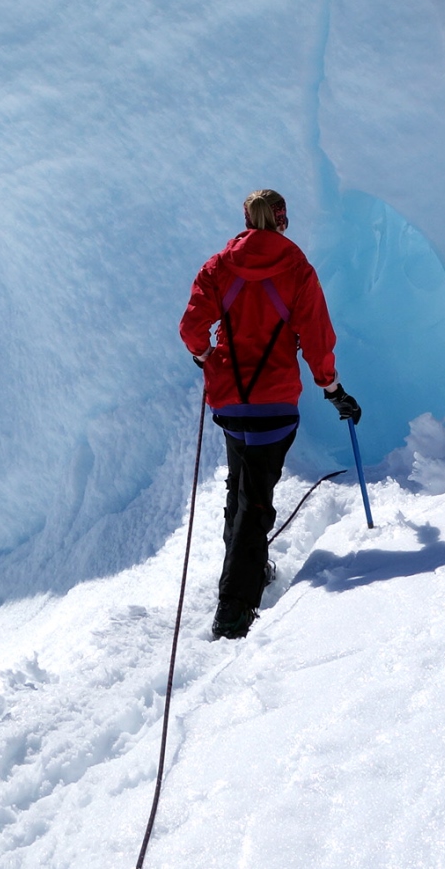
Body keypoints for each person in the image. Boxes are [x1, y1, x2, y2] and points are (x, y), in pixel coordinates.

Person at [177, 188, 360, 639]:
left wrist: (206, 357)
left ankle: (246, 576)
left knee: (241, 489)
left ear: (245, 221)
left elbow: (191, 329)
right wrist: (333, 390)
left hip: (229, 402)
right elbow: (317, 340)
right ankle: (234, 609)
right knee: (255, 501)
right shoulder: (297, 269)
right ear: (282, 222)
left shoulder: (219, 268)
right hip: (275, 403)